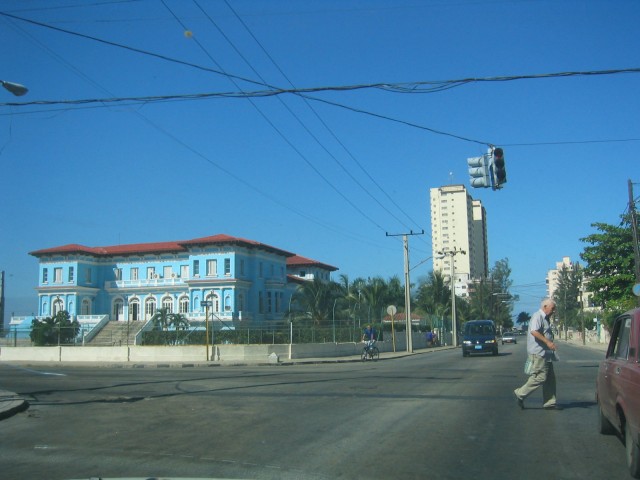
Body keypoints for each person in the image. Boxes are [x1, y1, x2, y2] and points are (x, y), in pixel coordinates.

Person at [514, 298, 560, 410]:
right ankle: (520, 393)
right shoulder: (537, 316)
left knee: (550, 378)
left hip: (546, 353)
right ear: (545, 307)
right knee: (540, 377)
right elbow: (534, 331)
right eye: (552, 308)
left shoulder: (545, 318)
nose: (554, 311)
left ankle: (549, 402)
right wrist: (548, 342)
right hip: (538, 353)